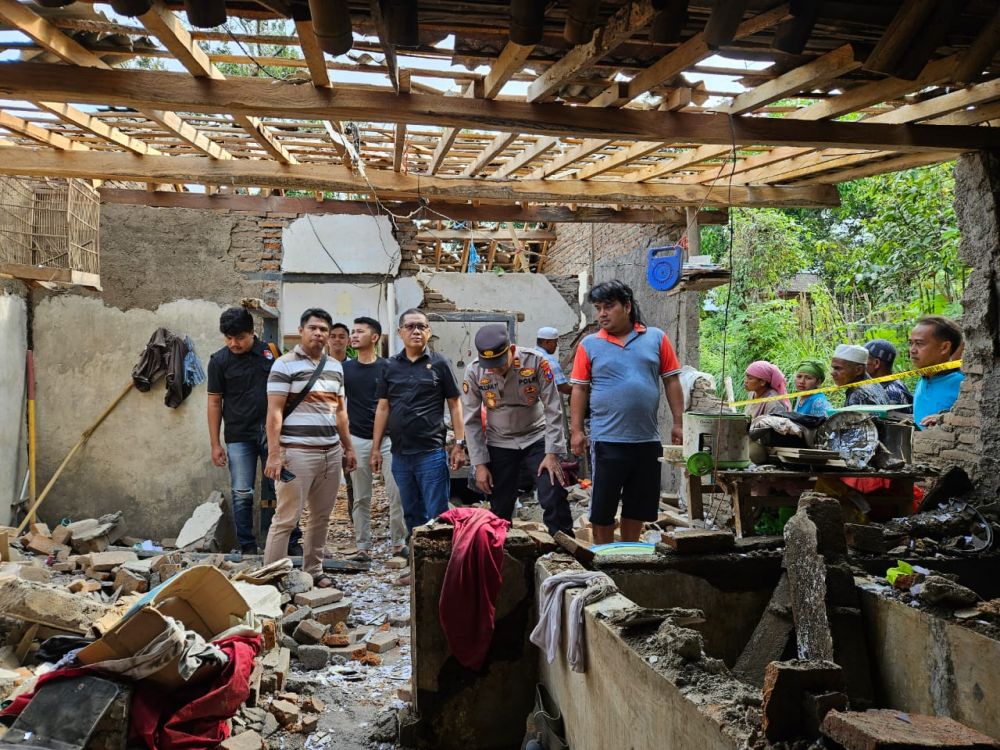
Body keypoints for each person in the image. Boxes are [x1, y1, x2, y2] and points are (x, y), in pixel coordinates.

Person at [569, 280, 684, 545]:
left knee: (638, 506)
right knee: (602, 507)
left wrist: (679, 423)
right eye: (598, 308)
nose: (602, 314)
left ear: (627, 306)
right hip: (607, 440)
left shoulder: (656, 338)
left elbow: (671, 381)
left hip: (646, 440)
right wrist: (577, 431)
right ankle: (604, 559)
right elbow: (579, 390)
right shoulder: (589, 345)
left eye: (608, 307)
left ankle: (630, 555)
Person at [263, 308, 356, 588]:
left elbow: (340, 413)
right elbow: (274, 413)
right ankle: (271, 578)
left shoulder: (336, 367)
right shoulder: (284, 365)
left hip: (330, 453)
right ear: (301, 331)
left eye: (323, 330)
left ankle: (314, 571)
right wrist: (274, 454)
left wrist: (348, 448)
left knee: (321, 517)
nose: (318, 333)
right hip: (297, 453)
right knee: (286, 519)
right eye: (313, 328)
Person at [206, 307, 301, 555]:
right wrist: (215, 443)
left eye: (239, 338)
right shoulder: (219, 361)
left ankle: (290, 543)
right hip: (238, 437)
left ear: (252, 332)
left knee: (284, 488)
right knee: (241, 492)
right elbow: (215, 402)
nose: (233, 343)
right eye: (228, 338)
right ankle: (247, 546)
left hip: (274, 435)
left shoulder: (272, 354)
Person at [461, 324, 572, 536]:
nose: (494, 369)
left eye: (499, 363)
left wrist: (552, 453)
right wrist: (480, 464)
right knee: (500, 504)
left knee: (553, 490)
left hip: (536, 438)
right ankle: (502, 552)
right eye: (489, 365)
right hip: (499, 442)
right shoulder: (474, 371)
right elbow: (472, 420)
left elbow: (553, 409)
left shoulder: (537, 362)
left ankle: (563, 548)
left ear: (511, 350)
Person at [371, 309, 466, 542]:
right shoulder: (389, 366)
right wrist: (375, 448)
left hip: (431, 453)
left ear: (429, 332)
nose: (416, 331)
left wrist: (459, 444)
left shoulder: (440, 363)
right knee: (411, 513)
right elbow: (383, 408)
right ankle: (419, 567)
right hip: (400, 454)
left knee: (438, 514)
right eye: (410, 326)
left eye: (421, 326)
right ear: (400, 332)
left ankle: (443, 567)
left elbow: (454, 404)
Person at [343, 316, 406, 562]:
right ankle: (362, 547)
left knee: (396, 493)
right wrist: (344, 441)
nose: (354, 335)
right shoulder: (345, 369)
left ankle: (399, 543)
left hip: (390, 440)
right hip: (357, 438)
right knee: (360, 496)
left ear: (375, 337)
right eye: (353, 331)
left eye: (360, 331)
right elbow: (338, 406)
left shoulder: (388, 367)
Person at [909, 316, 964, 429]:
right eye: (911, 343)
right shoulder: (923, 379)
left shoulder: (962, 384)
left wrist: (945, 419)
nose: (912, 350)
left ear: (944, 347)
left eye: (919, 343)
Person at [864, 339, 912, 410]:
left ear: (876, 363)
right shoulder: (886, 385)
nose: (861, 364)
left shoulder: (891, 393)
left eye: (864, 359)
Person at [535, 327, 573, 396]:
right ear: (547, 342)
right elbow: (564, 388)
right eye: (555, 342)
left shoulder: (532, 355)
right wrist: (582, 389)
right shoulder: (548, 360)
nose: (556, 345)